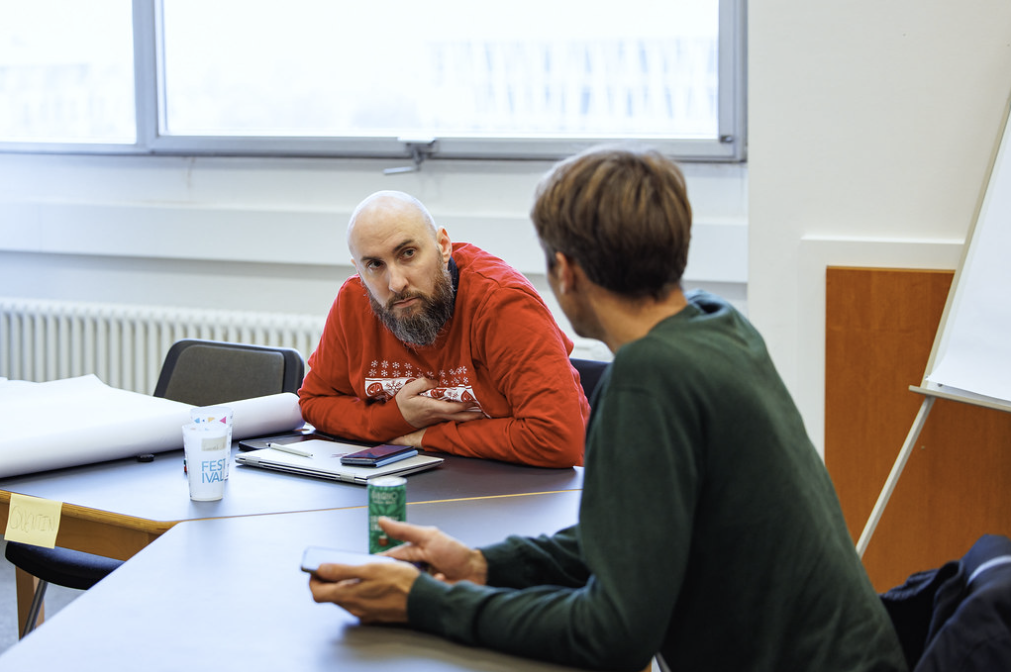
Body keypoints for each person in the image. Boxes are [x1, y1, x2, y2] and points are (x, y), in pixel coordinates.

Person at [307, 148, 908, 672]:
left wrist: (424, 602)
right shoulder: (717, 326)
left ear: (564, 272)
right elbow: (628, 540)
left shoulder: (647, 383)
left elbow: (613, 633)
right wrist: (481, 564)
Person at [298, 190, 590, 468]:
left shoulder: (502, 303)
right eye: (375, 264)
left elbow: (557, 438)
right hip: (418, 482)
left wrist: (425, 437)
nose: (395, 283)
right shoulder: (354, 300)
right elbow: (314, 401)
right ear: (359, 270)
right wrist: (396, 418)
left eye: (408, 253)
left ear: (443, 246)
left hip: (532, 495)